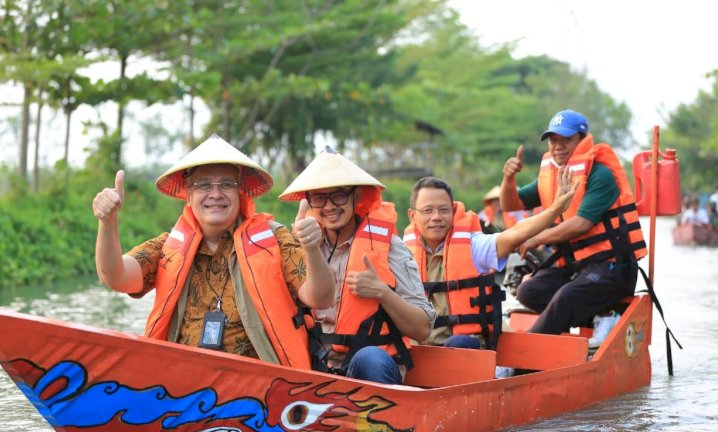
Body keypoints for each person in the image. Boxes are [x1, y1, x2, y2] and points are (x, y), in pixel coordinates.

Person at [92, 134, 335, 370]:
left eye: (227, 185)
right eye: (204, 185)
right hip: (184, 386)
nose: (216, 194)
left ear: (240, 193)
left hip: (261, 387)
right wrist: (108, 221)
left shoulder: (274, 239)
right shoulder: (168, 247)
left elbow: (320, 298)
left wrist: (312, 249)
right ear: (188, 194)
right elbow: (115, 276)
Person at [279, 146, 435, 385]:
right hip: (313, 369)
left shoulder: (390, 247)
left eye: (339, 195)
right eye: (320, 198)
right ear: (309, 203)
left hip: (369, 370)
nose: (329, 206)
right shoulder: (298, 247)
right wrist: (305, 244)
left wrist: (382, 292)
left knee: (370, 358)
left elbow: (422, 330)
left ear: (357, 197)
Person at [499, 109, 648, 335]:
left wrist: (536, 238)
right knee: (528, 291)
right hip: (576, 265)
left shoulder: (600, 175)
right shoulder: (553, 174)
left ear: (582, 139)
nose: (558, 146)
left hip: (612, 268)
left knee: (566, 297)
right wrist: (509, 178)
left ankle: (523, 354)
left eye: (566, 139)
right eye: (553, 140)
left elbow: (581, 224)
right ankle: (601, 316)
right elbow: (512, 203)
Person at [403, 174, 577, 354]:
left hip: (467, 347)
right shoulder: (402, 254)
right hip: (422, 351)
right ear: (412, 216)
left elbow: (515, 234)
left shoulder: (473, 246)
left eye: (443, 210)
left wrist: (555, 209)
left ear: (453, 212)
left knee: (459, 343)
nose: (436, 217)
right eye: (428, 210)